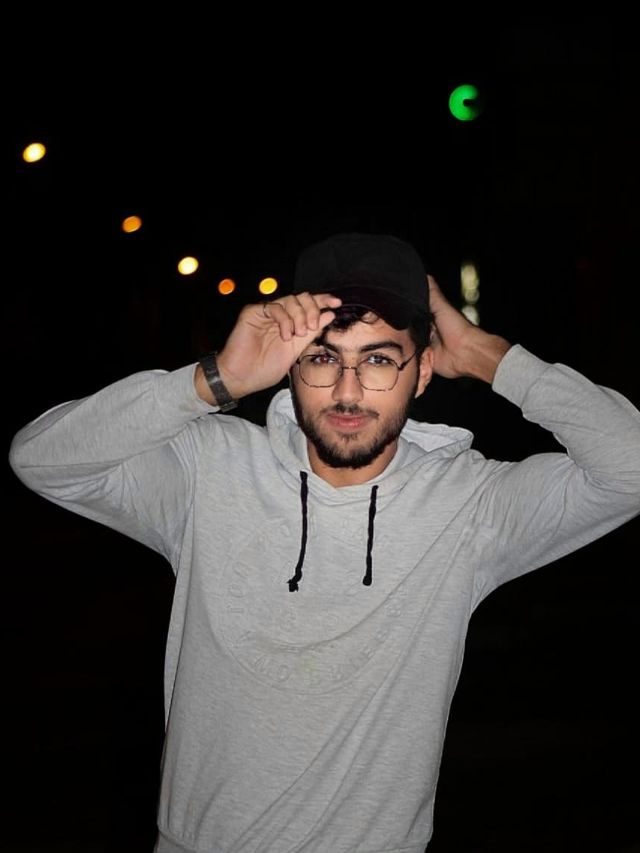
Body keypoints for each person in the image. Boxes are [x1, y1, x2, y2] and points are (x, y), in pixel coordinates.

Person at [9, 232, 640, 853]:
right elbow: (42, 460)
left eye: (379, 360)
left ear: (422, 371)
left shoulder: (470, 505)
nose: (346, 391)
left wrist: (487, 355)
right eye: (322, 358)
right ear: (289, 366)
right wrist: (215, 379)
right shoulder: (209, 468)